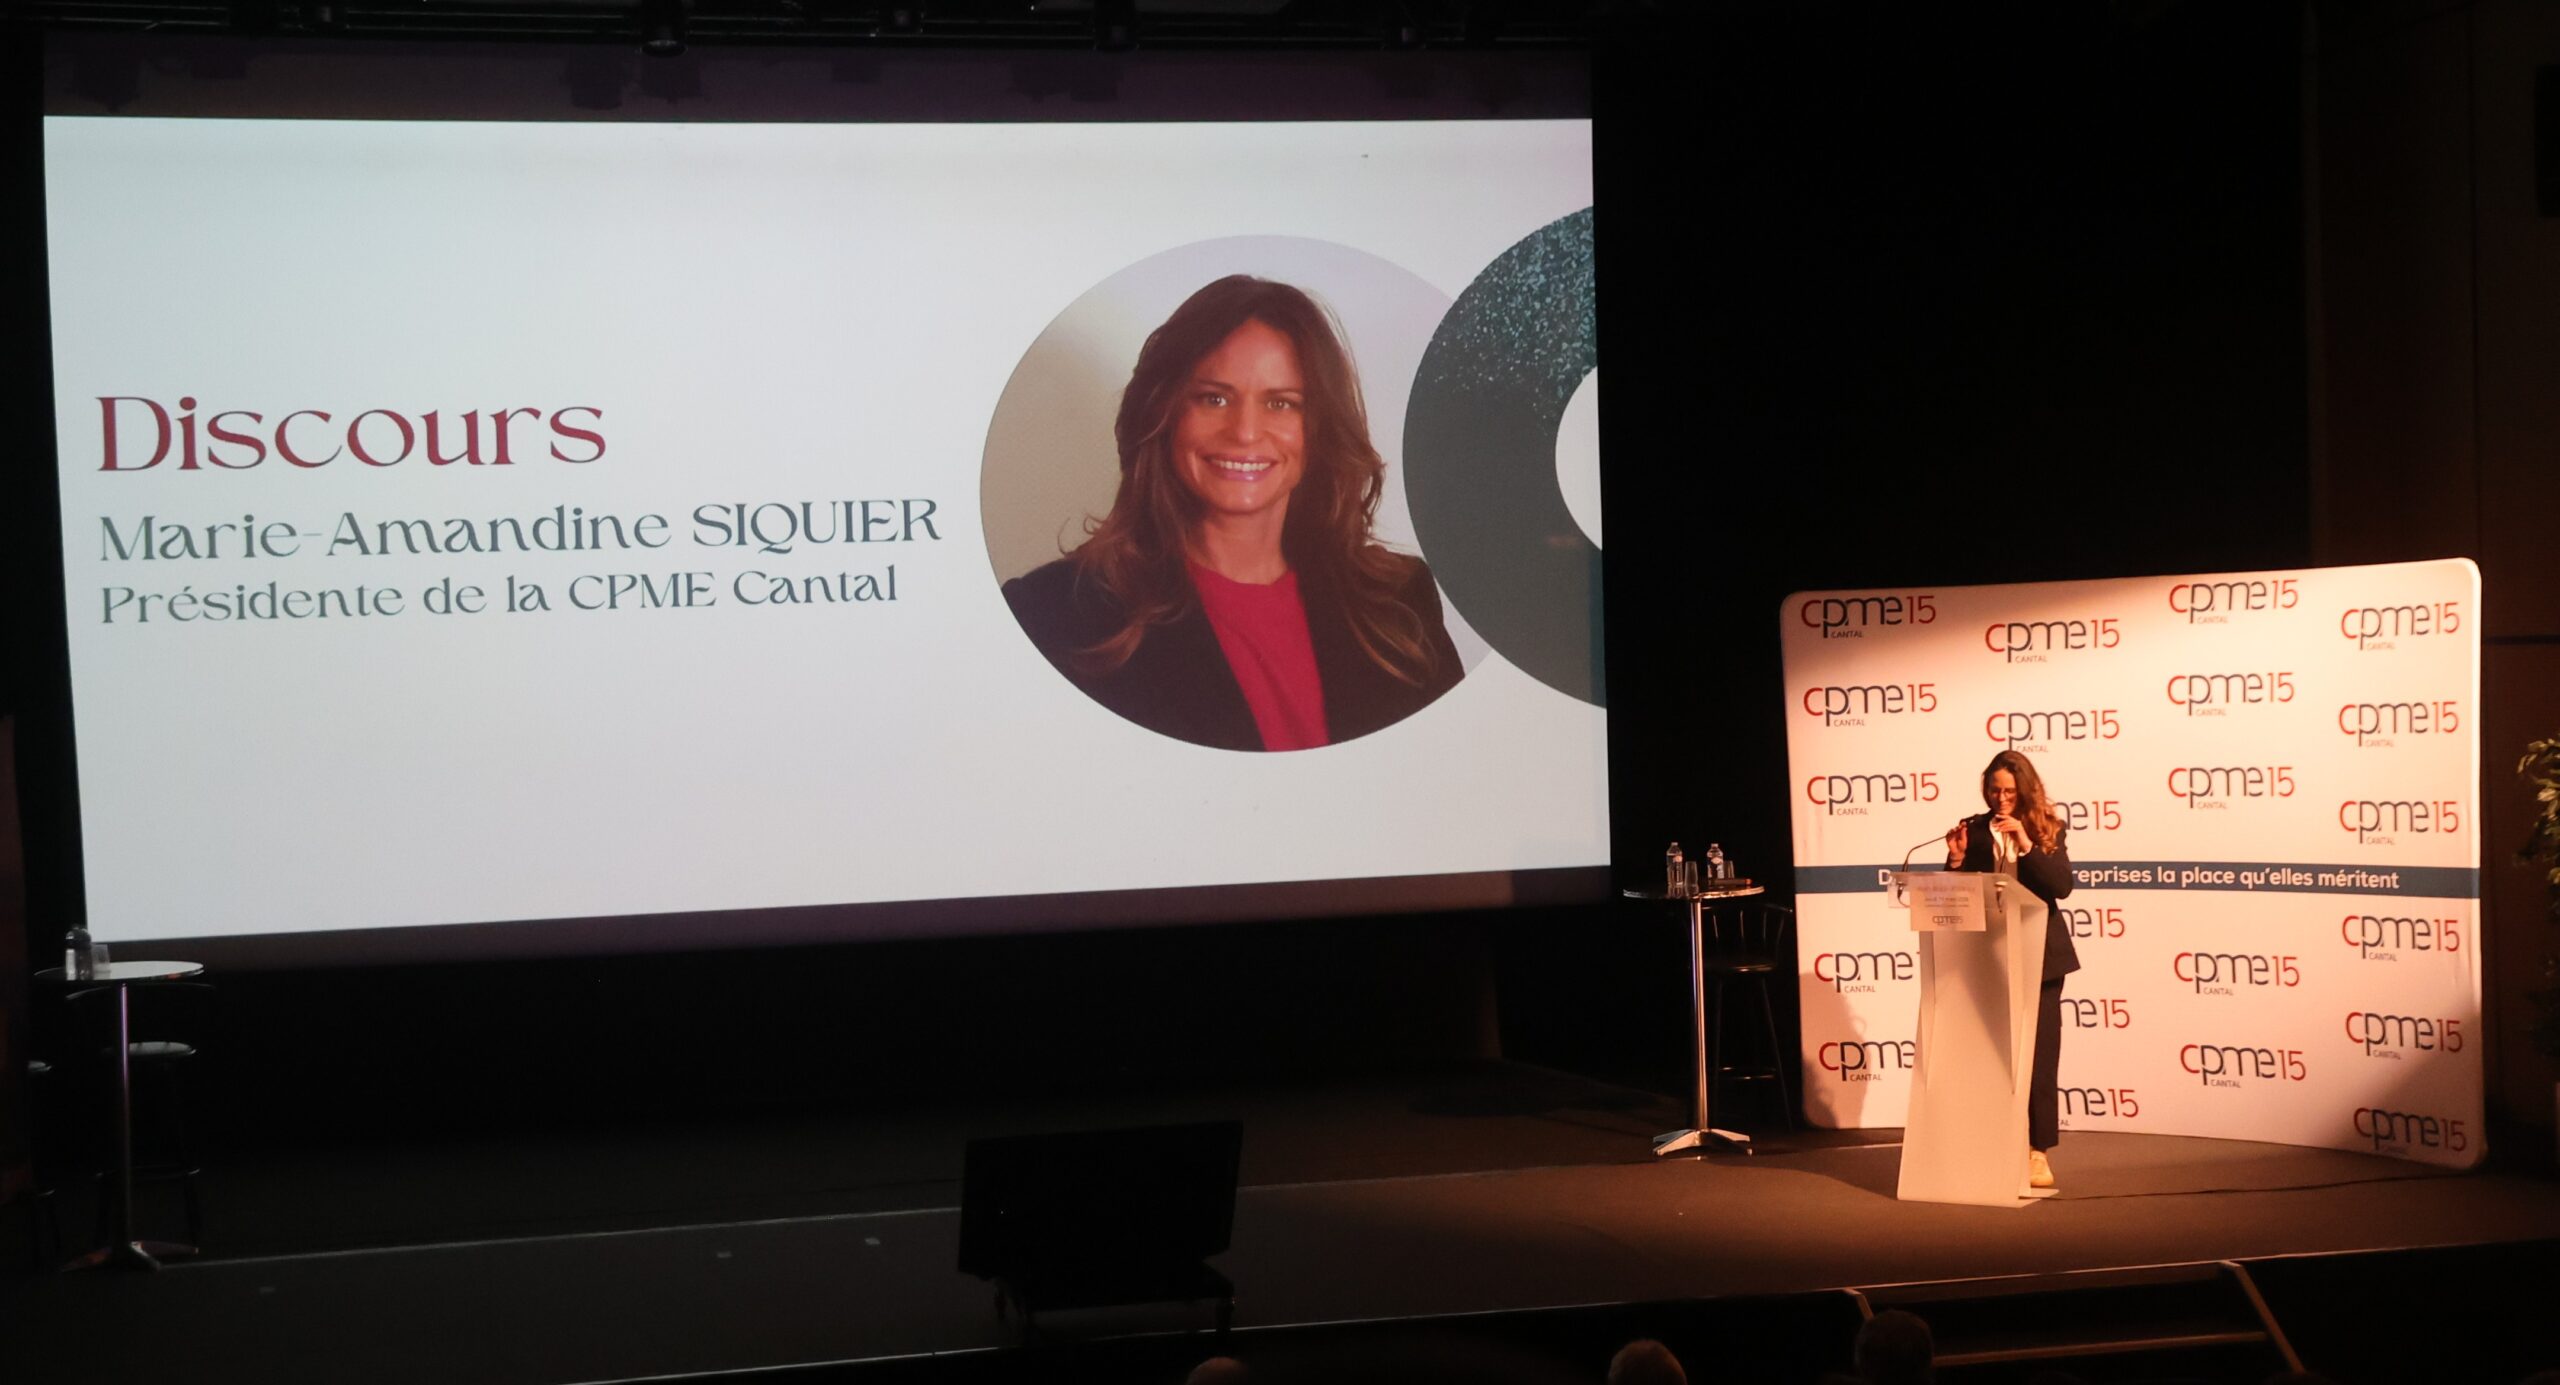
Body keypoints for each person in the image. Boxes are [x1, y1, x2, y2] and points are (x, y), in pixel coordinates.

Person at [1003, 275, 1464, 752]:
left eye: (1281, 403)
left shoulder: (1400, 604)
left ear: (1318, 430)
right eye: (1214, 398)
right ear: (1163, 413)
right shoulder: (1054, 614)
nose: (1245, 432)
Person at [1942, 749, 2077, 1189]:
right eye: (1994, 791)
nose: (2000, 799)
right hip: (1989, 957)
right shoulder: (1974, 829)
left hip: (2041, 958)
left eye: (2009, 792)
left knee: (2040, 1056)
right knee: (1990, 1055)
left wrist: (2025, 844)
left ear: (2025, 790)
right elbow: (1957, 899)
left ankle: (2038, 1151)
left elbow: (2060, 886)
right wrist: (1957, 860)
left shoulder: (2047, 827)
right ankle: (1995, 1141)